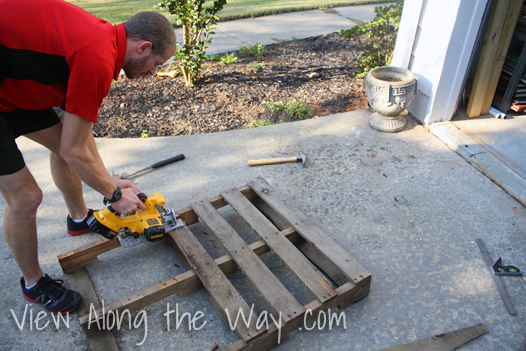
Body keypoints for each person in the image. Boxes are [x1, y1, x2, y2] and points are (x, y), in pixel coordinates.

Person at [0, 0, 176, 314]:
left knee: (71, 141)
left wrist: (109, 181)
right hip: (7, 87)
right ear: (143, 47)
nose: (153, 73)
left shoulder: (101, 38)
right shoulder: (96, 59)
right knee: (26, 197)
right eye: (157, 64)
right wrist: (114, 194)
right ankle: (33, 283)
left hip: (11, 84)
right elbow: (74, 151)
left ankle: (79, 218)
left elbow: (78, 138)